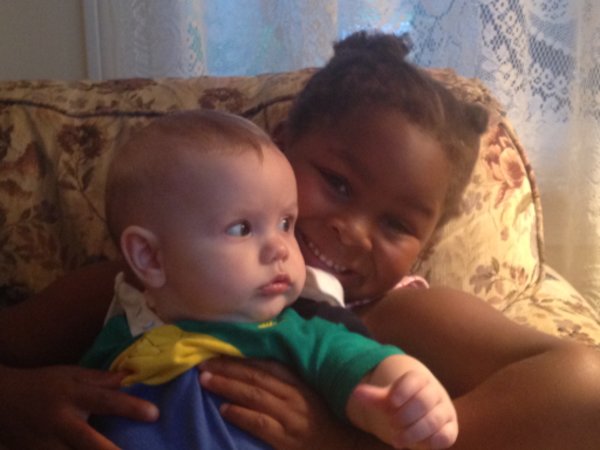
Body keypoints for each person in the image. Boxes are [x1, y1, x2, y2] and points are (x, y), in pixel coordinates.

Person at [1, 30, 599, 450]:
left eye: (396, 225)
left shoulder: (398, 314)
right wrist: (19, 401)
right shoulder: (151, 282)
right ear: (281, 147)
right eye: (337, 183)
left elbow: (585, 386)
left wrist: (341, 442)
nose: (353, 231)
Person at [80, 108, 458, 449]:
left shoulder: (295, 333)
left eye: (285, 223)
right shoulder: (118, 335)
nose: (280, 247)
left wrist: (407, 393)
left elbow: (365, 369)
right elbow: (72, 404)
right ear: (149, 257)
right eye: (242, 228)